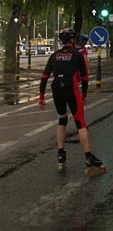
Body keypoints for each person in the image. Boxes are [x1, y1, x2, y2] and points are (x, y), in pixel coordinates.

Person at [39, 28, 105, 173]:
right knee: (80, 123)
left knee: (62, 120)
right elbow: (85, 78)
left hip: (56, 90)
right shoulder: (77, 55)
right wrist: (84, 95)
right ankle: (88, 157)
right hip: (71, 89)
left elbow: (45, 76)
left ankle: (61, 154)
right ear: (72, 40)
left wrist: (42, 96)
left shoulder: (55, 55)